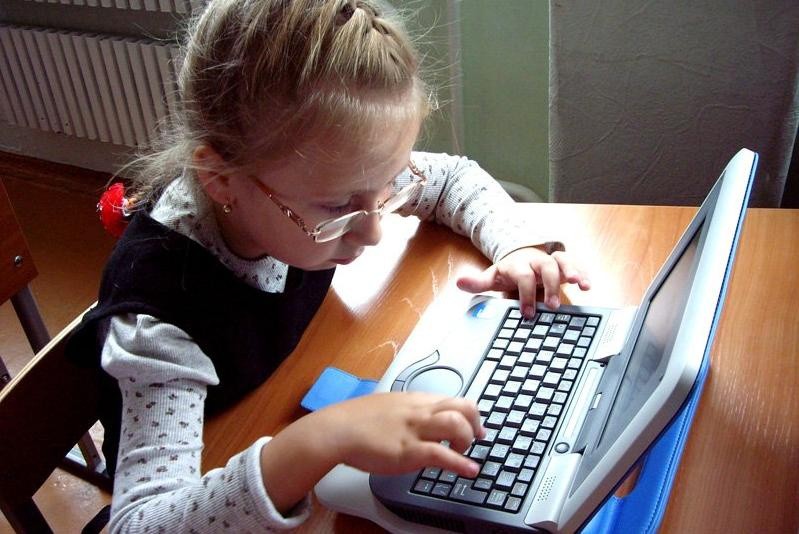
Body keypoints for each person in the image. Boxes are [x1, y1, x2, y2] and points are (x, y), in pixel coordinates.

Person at [68, 0, 591, 531]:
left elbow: (452, 178)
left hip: (290, 385)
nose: (374, 231)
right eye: (339, 208)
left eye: (387, 187)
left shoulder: (305, 183)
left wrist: (516, 247)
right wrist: (318, 441)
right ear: (221, 179)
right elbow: (136, 525)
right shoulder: (158, 320)